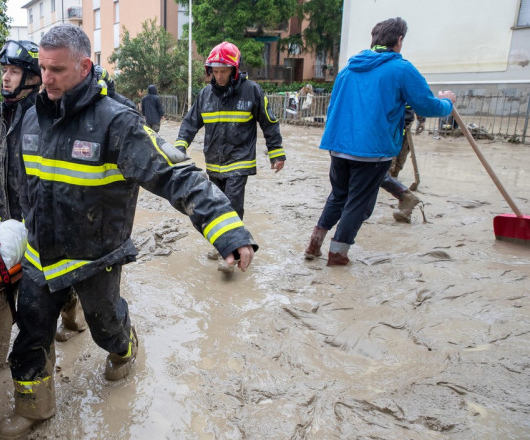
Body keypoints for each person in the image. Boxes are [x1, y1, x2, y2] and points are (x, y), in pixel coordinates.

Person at [0, 24, 258, 439]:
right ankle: (33, 407)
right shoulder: (31, 116)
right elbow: (20, 184)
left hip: (95, 256)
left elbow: (176, 175)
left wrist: (227, 231)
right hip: (39, 256)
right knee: (30, 335)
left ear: (85, 67)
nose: (46, 79)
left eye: (58, 70)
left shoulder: (115, 121)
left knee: (106, 328)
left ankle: (125, 346)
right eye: (43, 68)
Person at [0, 40, 88, 367]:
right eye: (4, 71)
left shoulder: (47, 114)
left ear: (33, 78)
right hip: (8, 219)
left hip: (45, 219)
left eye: (14, 72)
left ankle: (73, 318)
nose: (5, 78)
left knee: (57, 282)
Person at [304, 17, 455, 266]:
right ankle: (338, 256)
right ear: (399, 40)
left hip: (339, 147)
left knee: (338, 196)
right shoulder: (401, 69)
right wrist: (448, 102)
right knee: (358, 204)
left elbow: (333, 108)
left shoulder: (350, 68)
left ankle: (314, 244)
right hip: (372, 151)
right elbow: (426, 105)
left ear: (373, 40)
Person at [174, 41, 285, 272]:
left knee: (232, 205)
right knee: (215, 205)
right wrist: (179, 147)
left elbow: (269, 123)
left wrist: (276, 153)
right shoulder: (205, 95)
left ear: (234, 70)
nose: (219, 76)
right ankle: (221, 245)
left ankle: (232, 255)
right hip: (214, 163)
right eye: (215, 71)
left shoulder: (252, 91)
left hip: (240, 161)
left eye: (223, 71)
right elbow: (189, 124)